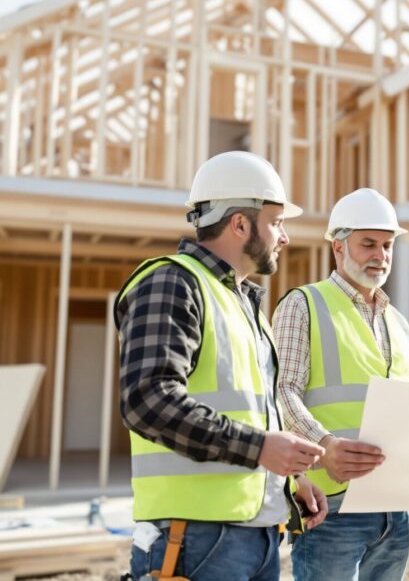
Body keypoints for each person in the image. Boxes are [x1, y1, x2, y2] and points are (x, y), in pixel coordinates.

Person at [116, 151, 328, 580]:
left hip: (258, 537)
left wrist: (288, 483)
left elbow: (248, 414)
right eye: (277, 222)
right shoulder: (173, 282)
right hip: (193, 539)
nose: (284, 237)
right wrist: (262, 449)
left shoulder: (243, 304)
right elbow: (147, 400)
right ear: (239, 224)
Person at [274, 188, 409, 581]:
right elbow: (282, 391)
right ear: (338, 248)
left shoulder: (400, 326)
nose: (381, 255)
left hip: (393, 508)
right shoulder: (303, 304)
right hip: (329, 505)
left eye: (387, 245)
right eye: (368, 244)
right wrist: (325, 446)